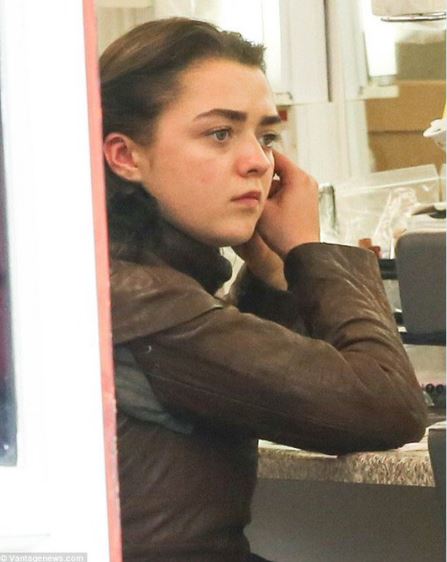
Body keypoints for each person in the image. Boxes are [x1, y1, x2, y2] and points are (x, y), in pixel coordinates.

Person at [100, 17, 426, 562]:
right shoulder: (143, 299)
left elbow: (238, 378)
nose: (257, 161)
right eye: (220, 133)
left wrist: (274, 276)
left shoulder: (123, 278)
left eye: (266, 136)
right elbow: (388, 408)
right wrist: (310, 251)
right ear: (126, 156)